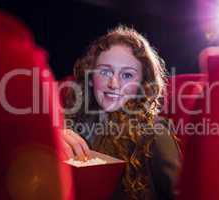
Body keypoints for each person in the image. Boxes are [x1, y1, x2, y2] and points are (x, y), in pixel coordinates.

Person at [61, 26, 181, 200]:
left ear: (141, 84)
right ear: (91, 77)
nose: (114, 84)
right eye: (105, 71)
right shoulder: (69, 124)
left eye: (127, 75)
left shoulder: (154, 132)